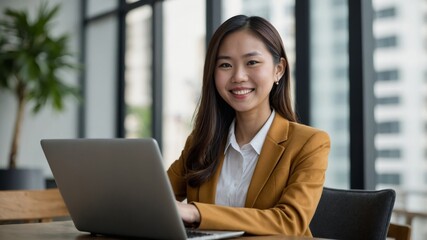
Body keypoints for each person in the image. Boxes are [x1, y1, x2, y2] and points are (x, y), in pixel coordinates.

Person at [167, 14, 330, 237]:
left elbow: (290, 223)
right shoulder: (202, 140)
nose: (238, 76)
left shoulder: (310, 143)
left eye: (252, 62)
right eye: (225, 65)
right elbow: (156, 199)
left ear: (278, 69)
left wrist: (196, 213)